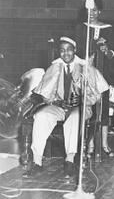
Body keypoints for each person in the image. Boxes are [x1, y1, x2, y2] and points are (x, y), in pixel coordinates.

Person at [23, 37, 109, 178]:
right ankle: (37, 162)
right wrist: (57, 102)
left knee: (74, 118)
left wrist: (82, 99)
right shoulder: (54, 67)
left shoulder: (85, 68)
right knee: (41, 116)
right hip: (59, 107)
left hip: (81, 108)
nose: (66, 53)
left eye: (69, 49)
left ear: (74, 50)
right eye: (62, 50)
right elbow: (46, 95)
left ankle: (69, 161)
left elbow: (96, 94)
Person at [75, 0, 114, 157]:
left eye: (95, 10)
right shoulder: (80, 27)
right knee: (88, 106)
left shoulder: (109, 28)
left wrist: (106, 50)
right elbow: (77, 50)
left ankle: (104, 144)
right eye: (89, 10)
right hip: (86, 72)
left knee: (103, 107)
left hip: (103, 73)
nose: (91, 13)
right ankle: (89, 145)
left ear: (100, 11)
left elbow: (113, 54)